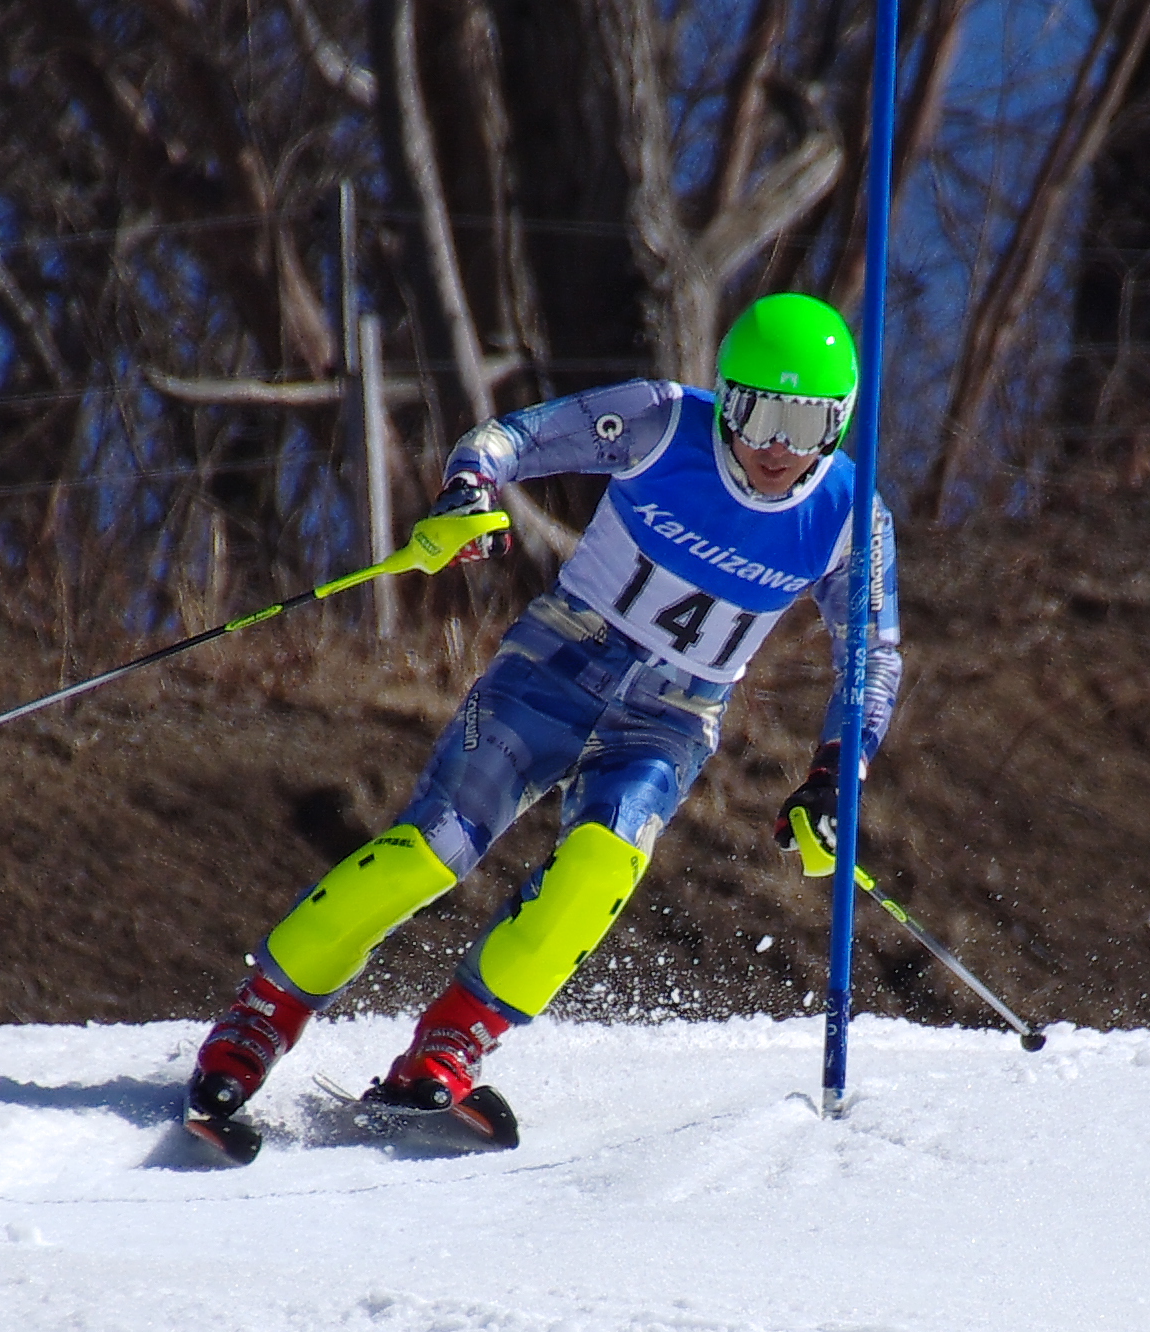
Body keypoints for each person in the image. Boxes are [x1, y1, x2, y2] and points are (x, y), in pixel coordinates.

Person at [183, 292, 903, 1152]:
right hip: (554, 669)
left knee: (599, 871)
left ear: (838, 424)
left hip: (671, 718)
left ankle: (449, 1046)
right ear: (727, 400)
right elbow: (507, 440)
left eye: (806, 423)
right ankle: (257, 1022)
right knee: (430, 849)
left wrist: (835, 773)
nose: (778, 446)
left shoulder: (850, 515)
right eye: (759, 414)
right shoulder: (661, 422)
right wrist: (467, 493)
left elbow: (873, 657)